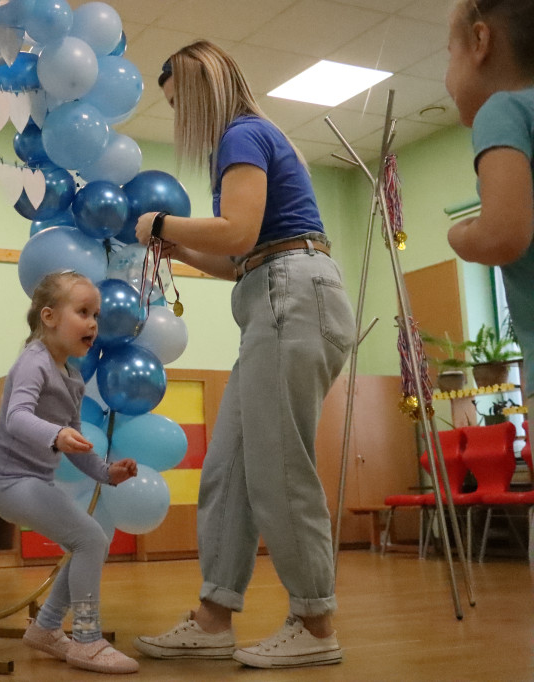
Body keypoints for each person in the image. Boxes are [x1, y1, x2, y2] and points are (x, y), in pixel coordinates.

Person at [130, 41, 355, 669]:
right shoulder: (244, 144)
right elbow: (238, 258)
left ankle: (315, 623)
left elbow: (238, 234)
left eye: (180, 104)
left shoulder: (242, 134)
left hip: (292, 300)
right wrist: (178, 250)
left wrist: (161, 225)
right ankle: (214, 618)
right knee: (228, 470)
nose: (180, 120)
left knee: (280, 469)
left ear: (203, 93)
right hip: (276, 297)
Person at [0, 270, 140, 674]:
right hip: (10, 483)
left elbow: (77, 441)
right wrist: (57, 435)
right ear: (48, 317)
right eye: (83, 312)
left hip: (32, 482)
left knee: (91, 541)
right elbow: (15, 418)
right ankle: (86, 639)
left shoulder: (70, 375)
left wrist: (105, 472)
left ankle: (47, 627)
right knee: (89, 539)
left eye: (96, 315)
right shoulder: (34, 361)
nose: (93, 324)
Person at [444, 0, 534, 415]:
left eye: (450, 54)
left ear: (480, 40)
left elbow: (501, 235)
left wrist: (461, 235)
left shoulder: (502, 109)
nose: (446, 78)